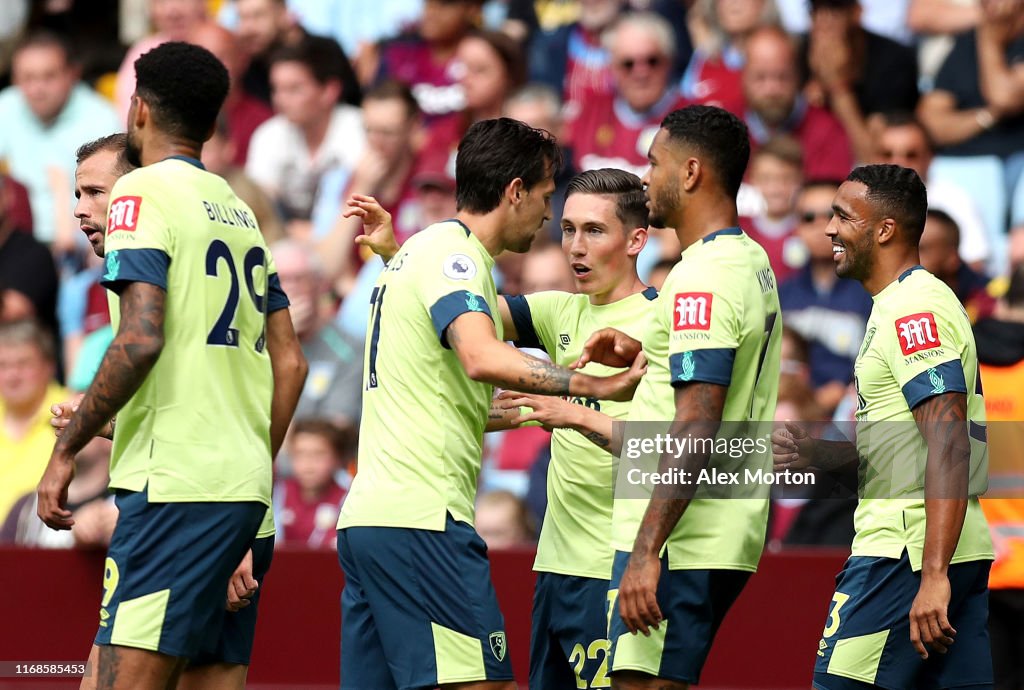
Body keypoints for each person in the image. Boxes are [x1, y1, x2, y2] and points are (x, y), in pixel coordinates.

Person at [334, 118, 646, 690]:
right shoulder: (455, 256)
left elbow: (452, 358)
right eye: (551, 202)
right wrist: (592, 390)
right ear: (515, 191)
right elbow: (480, 354)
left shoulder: (420, 255)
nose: (555, 225)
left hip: (369, 522)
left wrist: (392, 255)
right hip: (424, 522)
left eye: (589, 229)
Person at [36, 42, 308, 690]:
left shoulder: (138, 195)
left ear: (137, 111)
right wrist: (246, 473)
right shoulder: (239, 210)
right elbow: (289, 362)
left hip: (176, 495)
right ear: (212, 123)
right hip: (245, 496)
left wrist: (66, 450)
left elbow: (140, 339)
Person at [507, 105, 782, 689]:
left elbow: (697, 423)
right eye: (569, 229)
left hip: (681, 537)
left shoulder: (700, 278)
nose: (645, 174)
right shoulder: (746, 260)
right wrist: (641, 345)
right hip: (703, 529)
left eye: (653, 163)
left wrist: (645, 550)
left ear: (689, 172)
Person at [773, 164, 994, 690]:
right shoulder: (897, 304)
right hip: (941, 547)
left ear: (885, 229)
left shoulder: (912, 310)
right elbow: (913, 446)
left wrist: (934, 574)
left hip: (907, 553)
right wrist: (822, 455)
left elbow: (948, 442)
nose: (829, 229)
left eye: (844, 217)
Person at [780, 180, 874, 415]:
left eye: (833, 215)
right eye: (809, 217)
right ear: (796, 227)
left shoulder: (871, 293)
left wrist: (842, 391)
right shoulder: (780, 295)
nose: (821, 226)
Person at [273, 418, 352, 549]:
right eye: (300, 454)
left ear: (338, 458)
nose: (308, 464)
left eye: (319, 454)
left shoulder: (348, 500)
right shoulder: (277, 493)